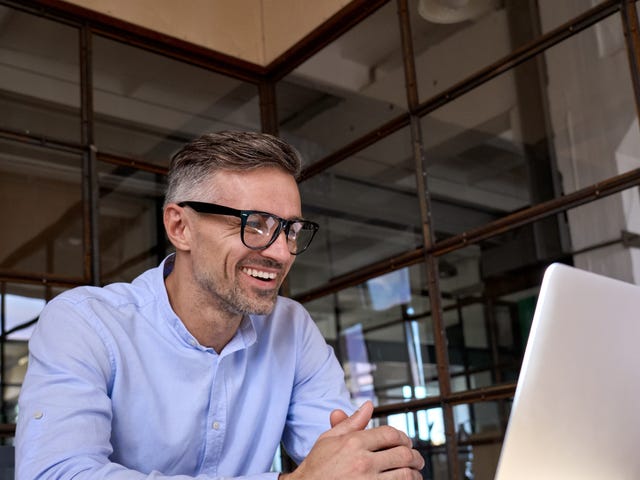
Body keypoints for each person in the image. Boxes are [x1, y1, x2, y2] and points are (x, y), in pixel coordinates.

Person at [15, 131, 425, 479]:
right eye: (255, 224)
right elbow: (57, 473)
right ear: (180, 227)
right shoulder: (85, 322)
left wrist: (377, 463)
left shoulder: (291, 328)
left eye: (291, 230)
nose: (282, 253)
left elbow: (345, 460)